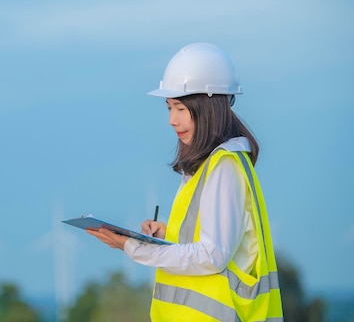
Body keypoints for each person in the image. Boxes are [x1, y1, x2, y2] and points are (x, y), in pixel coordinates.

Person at [86, 43, 283, 322]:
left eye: (180, 108)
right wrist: (167, 236)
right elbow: (212, 240)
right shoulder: (205, 166)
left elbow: (213, 255)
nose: (171, 120)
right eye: (168, 107)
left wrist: (135, 248)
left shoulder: (224, 166)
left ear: (209, 106)